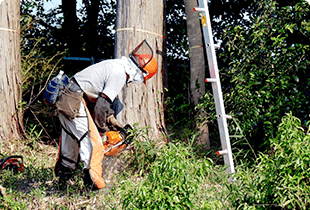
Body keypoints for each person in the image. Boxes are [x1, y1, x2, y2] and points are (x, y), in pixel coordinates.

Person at [51, 40, 158, 190]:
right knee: (93, 143)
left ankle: (63, 182)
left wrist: (111, 120)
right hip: (74, 100)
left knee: (71, 141)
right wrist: (101, 131)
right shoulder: (120, 73)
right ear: (141, 74)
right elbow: (101, 106)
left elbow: (98, 98)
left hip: (67, 97)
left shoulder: (115, 65)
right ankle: (94, 186)